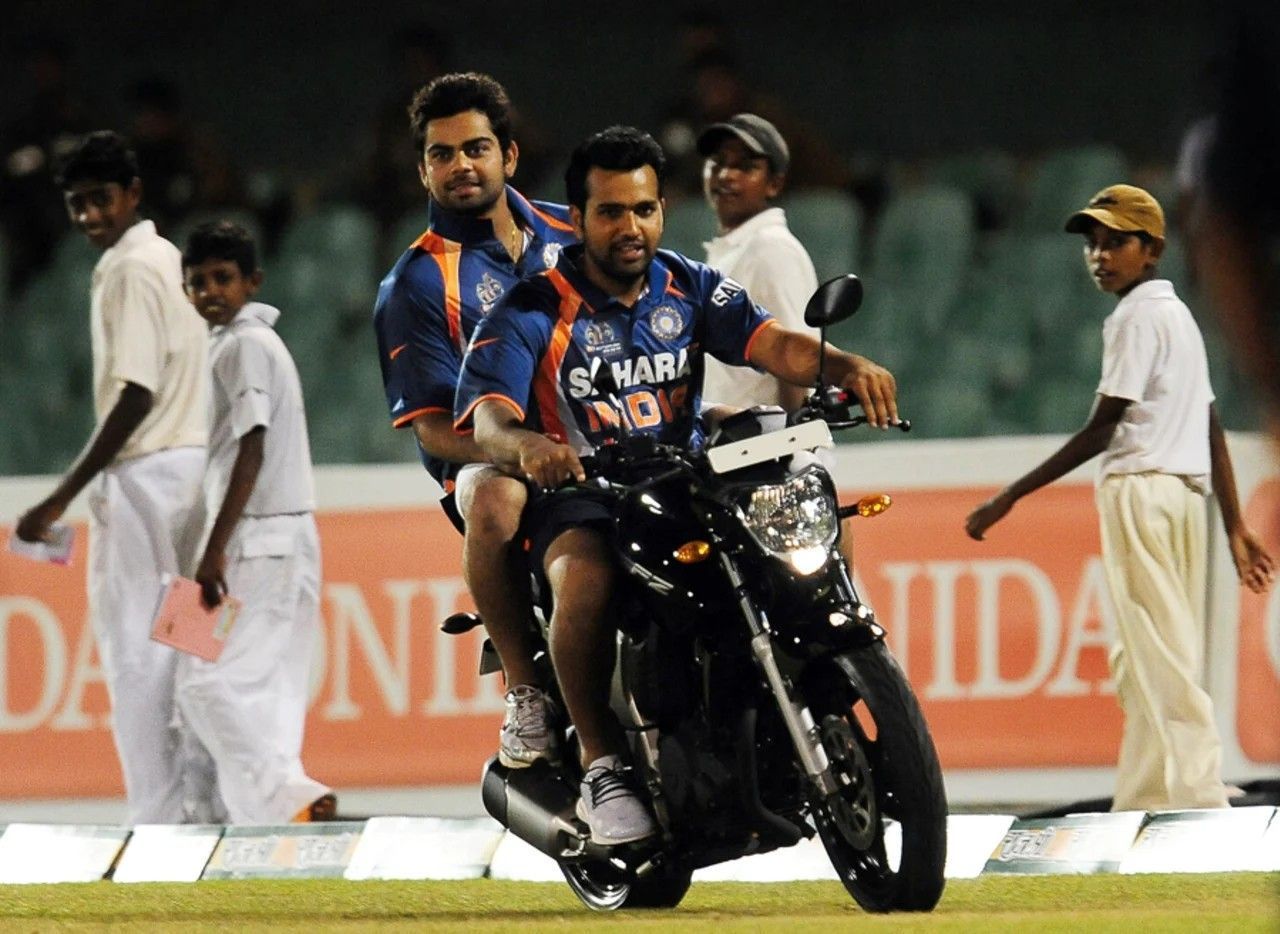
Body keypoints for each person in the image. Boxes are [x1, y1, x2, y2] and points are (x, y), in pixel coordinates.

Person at [455, 126, 898, 844]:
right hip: (586, 494)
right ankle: (602, 764)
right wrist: (530, 445)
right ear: (579, 218)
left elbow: (771, 343)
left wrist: (843, 365)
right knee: (588, 579)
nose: (630, 228)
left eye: (644, 209)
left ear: (662, 211)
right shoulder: (531, 307)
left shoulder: (688, 283)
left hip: (688, 480)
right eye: (610, 212)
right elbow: (489, 424)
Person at [964, 184, 1275, 812]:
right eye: (1094, 243)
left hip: (1141, 493)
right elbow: (1209, 420)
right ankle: (1146, 792)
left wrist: (1010, 497)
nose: (1100, 255)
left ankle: (1197, 791)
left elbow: (1105, 427)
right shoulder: (1178, 315)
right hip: (1184, 498)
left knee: (1155, 652)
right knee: (1142, 655)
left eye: (1116, 242)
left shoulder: (1134, 317)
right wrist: (1234, 522)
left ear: (1152, 249)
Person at [371, 73, 579, 771]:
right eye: (443, 153)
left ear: (509, 157)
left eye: (476, 148)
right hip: (492, 463)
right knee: (494, 497)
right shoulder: (416, 283)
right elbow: (433, 430)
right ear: (423, 168)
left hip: (607, 436)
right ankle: (527, 693)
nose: (461, 165)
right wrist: (526, 450)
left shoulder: (575, 233)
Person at [15, 130, 209, 824]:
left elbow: (135, 393)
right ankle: (206, 809)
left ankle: (157, 819)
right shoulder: (167, 256)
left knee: (136, 652)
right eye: (78, 204)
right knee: (190, 647)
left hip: (145, 478)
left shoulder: (128, 268)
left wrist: (57, 498)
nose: (91, 216)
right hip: (194, 475)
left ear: (133, 195)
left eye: (101, 200)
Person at [177, 220, 333, 824]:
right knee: (266, 689)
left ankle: (287, 794)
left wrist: (213, 548)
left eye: (223, 278)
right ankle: (267, 821)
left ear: (252, 282)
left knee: (201, 683)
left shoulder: (245, 345)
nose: (210, 291)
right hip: (273, 535)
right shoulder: (230, 345)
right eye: (198, 282)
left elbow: (252, 446)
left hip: (259, 535)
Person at [697, 113, 818, 412]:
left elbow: (796, 360)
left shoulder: (772, 248)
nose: (726, 175)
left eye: (745, 166)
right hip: (728, 446)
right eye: (718, 162)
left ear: (774, 184)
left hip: (761, 447)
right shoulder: (734, 249)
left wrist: (795, 448)